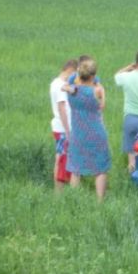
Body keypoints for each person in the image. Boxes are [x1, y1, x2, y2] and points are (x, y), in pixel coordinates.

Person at [63, 59, 111, 202]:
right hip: (96, 133)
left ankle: (73, 200)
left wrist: (77, 77)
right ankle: (99, 201)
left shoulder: (71, 89)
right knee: (101, 168)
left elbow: (69, 82)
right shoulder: (97, 90)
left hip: (77, 134)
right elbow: (102, 106)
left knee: (75, 168)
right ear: (93, 75)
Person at [49, 58, 78, 192]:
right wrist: (68, 130)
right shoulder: (60, 86)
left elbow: (74, 91)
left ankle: (59, 191)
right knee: (61, 159)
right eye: (75, 74)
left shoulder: (56, 82)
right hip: (63, 128)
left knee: (61, 157)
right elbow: (62, 108)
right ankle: (59, 192)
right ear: (70, 70)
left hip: (59, 127)